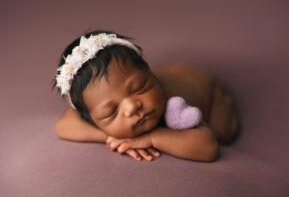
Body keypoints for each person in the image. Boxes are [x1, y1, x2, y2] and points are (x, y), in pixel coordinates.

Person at [52, 30, 239, 162]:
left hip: (202, 84)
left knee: (224, 132)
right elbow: (63, 125)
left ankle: (225, 102)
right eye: (111, 112)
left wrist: (151, 138)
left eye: (139, 88)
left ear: (150, 74)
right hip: (175, 72)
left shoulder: (174, 105)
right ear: (93, 119)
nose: (132, 106)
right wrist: (111, 137)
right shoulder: (96, 112)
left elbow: (208, 148)